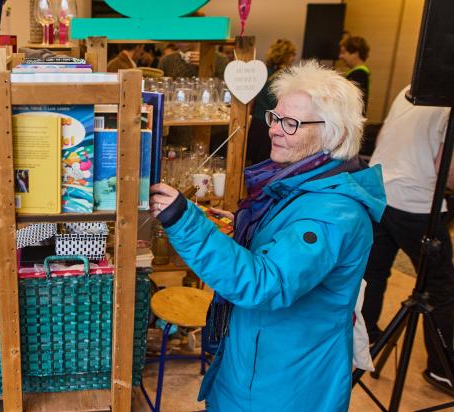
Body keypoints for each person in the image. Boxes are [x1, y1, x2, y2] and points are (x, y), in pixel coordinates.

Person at [149, 61, 385, 410]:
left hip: (283, 386)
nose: (274, 130)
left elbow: (265, 283)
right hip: (254, 364)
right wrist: (242, 228)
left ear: (332, 134)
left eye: (291, 124)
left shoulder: (333, 215)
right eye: (275, 117)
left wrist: (185, 222)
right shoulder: (298, 185)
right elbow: (280, 246)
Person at [362, 86, 454, 405]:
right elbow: (447, 169)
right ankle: (441, 369)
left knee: (375, 273)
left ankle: (365, 341)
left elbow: (382, 141)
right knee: (441, 289)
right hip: (414, 203)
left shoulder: (412, 88)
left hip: (378, 190)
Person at [245, 39, 297, 166]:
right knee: (268, 165)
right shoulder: (287, 76)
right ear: (288, 56)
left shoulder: (262, 72)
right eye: (293, 54)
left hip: (256, 123)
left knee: (254, 163)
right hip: (272, 123)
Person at [339, 36, 371, 114]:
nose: (340, 56)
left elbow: (349, 102)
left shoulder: (359, 74)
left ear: (355, 53)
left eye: (343, 52)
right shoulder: (360, 72)